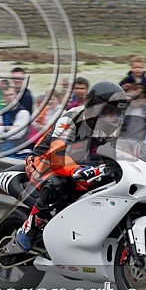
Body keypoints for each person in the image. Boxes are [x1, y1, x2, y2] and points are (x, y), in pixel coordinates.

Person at [15, 81, 128, 251]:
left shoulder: (111, 125)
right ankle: (27, 229)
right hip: (44, 160)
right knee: (56, 185)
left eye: (118, 112)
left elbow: (113, 153)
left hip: (78, 163)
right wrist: (76, 170)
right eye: (110, 111)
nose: (114, 117)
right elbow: (57, 154)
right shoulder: (71, 118)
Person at [0, 86, 31, 154]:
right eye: (6, 95)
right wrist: (7, 128)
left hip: (19, 152)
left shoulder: (23, 112)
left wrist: (0, 130)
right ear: (3, 97)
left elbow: (16, 134)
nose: (9, 97)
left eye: (11, 94)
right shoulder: (2, 111)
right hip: (1, 150)